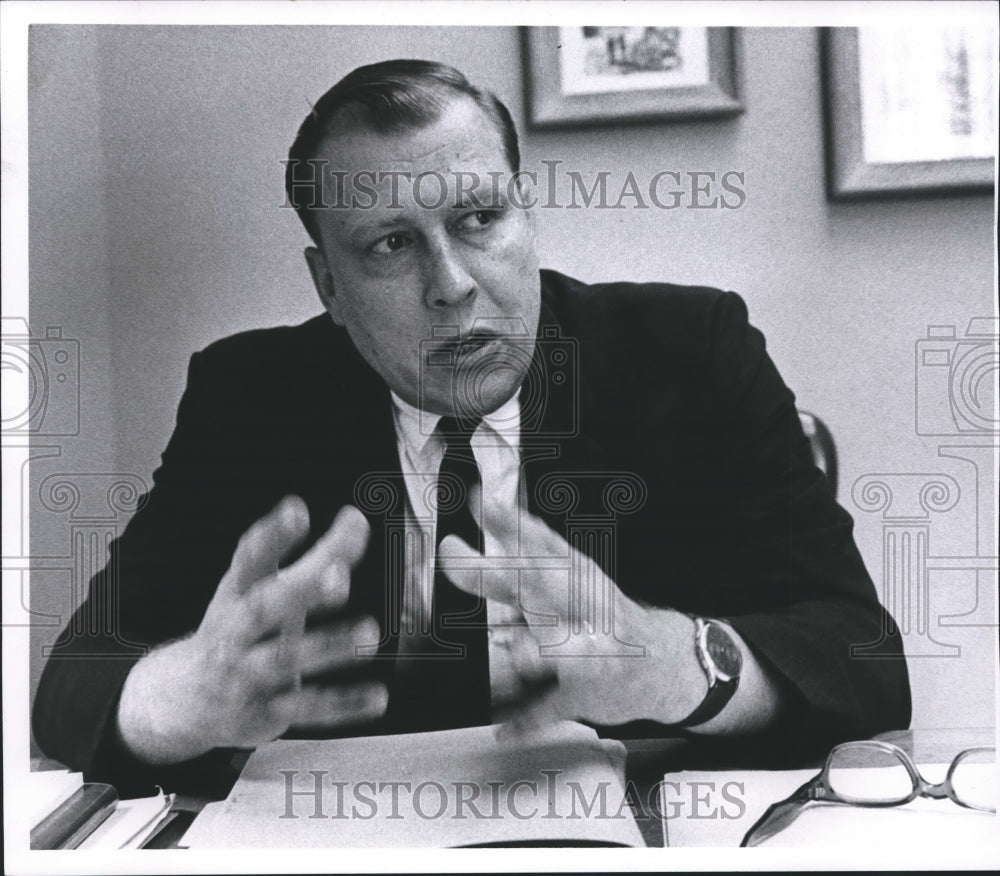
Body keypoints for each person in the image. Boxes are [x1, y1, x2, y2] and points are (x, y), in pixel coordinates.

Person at [32, 59, 911, 795]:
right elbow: (71, 684)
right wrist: (178, 699)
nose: (452, 284)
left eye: (479, 218)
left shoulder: (690, 350)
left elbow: (863, 660)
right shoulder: (250, 395)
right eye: (390, 245)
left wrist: (675, 664)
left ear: (524, 216)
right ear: (327, 286)